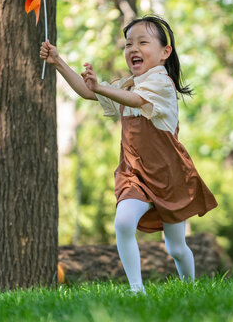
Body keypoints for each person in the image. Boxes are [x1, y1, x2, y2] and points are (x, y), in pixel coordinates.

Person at [40, 15, 217, 293]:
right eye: (128, 44)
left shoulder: (161, 83)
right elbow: (88, 92)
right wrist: (58, 62)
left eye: (142, 42)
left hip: (168, 177)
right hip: (133, 174)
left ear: (164, 52)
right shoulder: (126, 85)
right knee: (123, 222)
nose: (133, 49)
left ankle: (190, 289)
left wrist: (100, 87)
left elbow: (135, 100)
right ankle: (137, 290)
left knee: (176, 247)